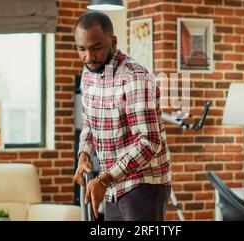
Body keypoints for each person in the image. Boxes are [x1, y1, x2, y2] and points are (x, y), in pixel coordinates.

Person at [73, 11, 172, 221]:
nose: (88, 57)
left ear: (113, 41)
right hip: (112, 184)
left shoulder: (134, 77)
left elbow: (149, 142)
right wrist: (84, 155)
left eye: (96, 48)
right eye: (82, 49)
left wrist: (104, 180)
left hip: (144, 183)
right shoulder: (88, 75)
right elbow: (89, 121)